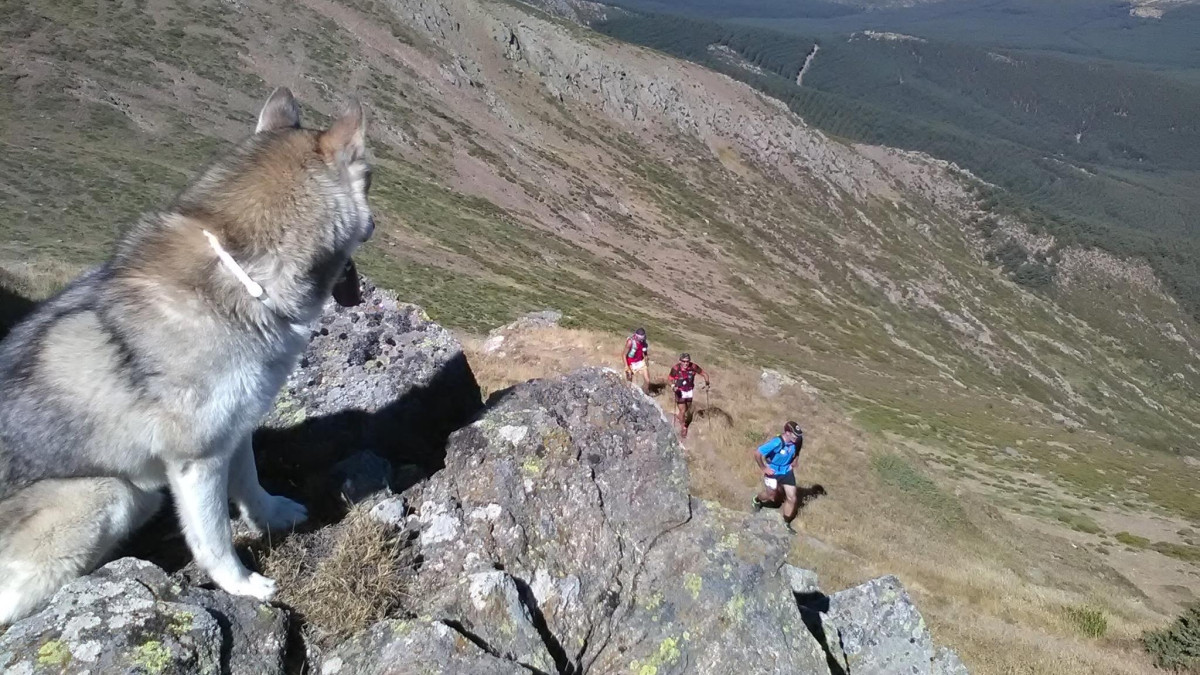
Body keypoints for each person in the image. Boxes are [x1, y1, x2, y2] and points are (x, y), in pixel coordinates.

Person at [752, 421, 804, 533]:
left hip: (787, 471)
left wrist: (795, 459)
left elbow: (798, 447)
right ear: (787, 433)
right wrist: (764, 468)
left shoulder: (797, 440)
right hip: (773, 472)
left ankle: (786, 523)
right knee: (771, 496)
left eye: (798, 436)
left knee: (792, 498)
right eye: (795, 436)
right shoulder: (776, 443)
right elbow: (757, 453)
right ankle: (757, 500)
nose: (797, 438)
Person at [667, 352, 709, 439]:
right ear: (680, 361)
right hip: (679, 391)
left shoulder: (693, 367)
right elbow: (669, 379)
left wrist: (707, 383)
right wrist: (672, 386)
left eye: (687, 361)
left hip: (689, 390)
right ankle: (684, 427)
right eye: (684, 361)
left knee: (686, 409)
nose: (686, 363)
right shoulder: (675, 368)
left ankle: (679, 417)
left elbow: (704, 374)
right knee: (682, 411)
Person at [623, 328, 651, 393]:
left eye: (642, 338)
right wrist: (626, 367)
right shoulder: (630, 342)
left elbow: (644, 350)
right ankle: (628, 393)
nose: (641, 340)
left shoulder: (643, 342)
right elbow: (624, 355)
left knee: (647, 381)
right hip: (631, 363)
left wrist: (646, 357)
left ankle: (645, 393)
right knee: (629, 381)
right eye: (640, 339)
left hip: (641, 362)